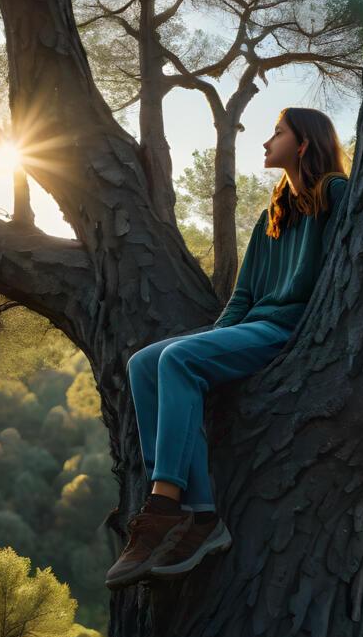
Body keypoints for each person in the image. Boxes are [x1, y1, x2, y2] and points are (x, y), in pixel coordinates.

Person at [106, 106, 350, 589]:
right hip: (253, 327)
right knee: (143, 363)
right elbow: (242, 297)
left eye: (277, 133)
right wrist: (212, 339)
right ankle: (200, 519)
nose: (266, 142)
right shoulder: (271, 217)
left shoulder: (335, 194)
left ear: (303, 144)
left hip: (288, 330)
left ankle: (163, 507)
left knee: (176, 360)